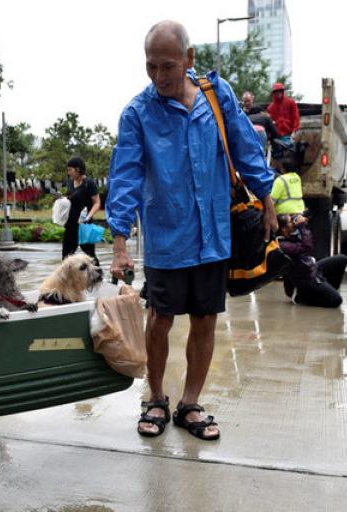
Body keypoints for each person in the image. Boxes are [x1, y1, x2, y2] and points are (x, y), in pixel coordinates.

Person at [106, 20, 277, 441]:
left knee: (205, 319)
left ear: (189, 59)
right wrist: (119, 241)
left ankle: (191, 403)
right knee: (160, 319)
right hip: (167, 238)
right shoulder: (137, 113)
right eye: (151, 67)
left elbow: (244, 145)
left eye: (168, 66)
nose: (160, 77)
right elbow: (125, 175)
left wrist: (267, 196)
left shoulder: (216, 96)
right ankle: (156, 398)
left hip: (213, 236)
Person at [277, 214, 347, 307]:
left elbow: (307, 239)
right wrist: (301, 227)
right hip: (303, 279)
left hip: (310, 268)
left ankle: (326, 289)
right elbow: (306, 246)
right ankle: (302, 297)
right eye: (290, 222)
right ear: (283, 229)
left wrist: (303, 225)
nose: (293, 223)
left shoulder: (289, 236)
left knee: (341, 259)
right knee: (336, 301)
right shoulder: (283, 245)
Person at [62, 156, 101, 266]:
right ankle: (68, 281)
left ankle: (97, 277)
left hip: (85, 224)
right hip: (70, 224)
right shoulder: (70, 182)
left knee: (90, 255)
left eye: (70, 169)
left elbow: (97, 203)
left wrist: (89, 216)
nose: (68, 172)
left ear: (78, 169)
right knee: (66, 256)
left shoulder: (89, 183)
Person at [271, 150, 305, 215]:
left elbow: (272, 200)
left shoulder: (280, 180)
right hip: (300, 210)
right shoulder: (297, 177)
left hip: (285, 212)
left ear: (283, 168)